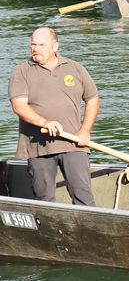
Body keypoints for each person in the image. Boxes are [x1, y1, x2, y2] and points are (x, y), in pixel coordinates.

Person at [8, 27, 100, 205]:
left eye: (41, 45)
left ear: (55, 46)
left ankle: (86, 231)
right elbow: (19, 106)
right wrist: (44, 122)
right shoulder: (22, 72)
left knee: (83, 196)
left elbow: (93, 99)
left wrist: (85, 131)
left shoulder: (75, 68)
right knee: (45, 199)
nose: (35, 48)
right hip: (38, 147)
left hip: (74, 143)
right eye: (33, 44)